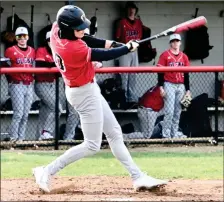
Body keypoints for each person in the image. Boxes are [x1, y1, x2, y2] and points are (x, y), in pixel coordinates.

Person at [32, 5, 167, 193]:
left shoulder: (56, 30)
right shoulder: (72, 48)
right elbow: (101, 54)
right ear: (69, 28)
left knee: (114, 132)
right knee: (92, 145)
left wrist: (114, 43)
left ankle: (138, 177)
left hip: (87, 88)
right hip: (83, 94)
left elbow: (87, 38)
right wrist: (126, 48)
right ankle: (46, 171)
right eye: (78, 27)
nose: (82, 29)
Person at [35, 31, 79, 141]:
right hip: (42, 84)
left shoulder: (58, 52)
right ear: (47, 41)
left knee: (45, 111)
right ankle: (47, 131)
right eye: (50, 40)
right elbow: (40, 65)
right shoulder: (42, 50)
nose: (52, 42)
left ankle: (39, 137)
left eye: (54, 40)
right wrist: (55, 65)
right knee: (57, 108)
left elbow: (61, 70)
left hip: (53, 85)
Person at [4, 27, 35, 142]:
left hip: (29, 84)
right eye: (19, 37)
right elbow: (5, 66)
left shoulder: (32, 51)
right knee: (18, 114)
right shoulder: (10, 50)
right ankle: (13, 138)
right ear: (16, 38)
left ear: (28, 37)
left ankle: (21, 139)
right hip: (16, 84)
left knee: (25, 114)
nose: (22, 39)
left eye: (24, 36)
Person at [157, 34, 190, 139]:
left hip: (181, 85)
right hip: (169, 84)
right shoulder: (164, 55)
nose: (175, 43)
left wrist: (188, 89)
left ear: (180, 42)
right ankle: (166, 135)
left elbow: (187, 74)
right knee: (169, 111)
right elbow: (160, 73)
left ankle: (174, 134)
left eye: (177, 41)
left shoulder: (184, 56)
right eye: (173, 41)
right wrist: (161, 87)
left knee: (177, 112)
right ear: (170, 43)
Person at [115, 1, 143, 107]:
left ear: (136, 10)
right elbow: (117, 37)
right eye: (129, 8)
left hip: (134, 50)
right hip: (124, 49)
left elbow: (139, 37)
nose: (131, 10)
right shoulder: (121, 22)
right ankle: (124, 98)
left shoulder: (138, 22)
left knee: (133, 74)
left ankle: (131, 98)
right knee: (124, 75)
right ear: (126, 10)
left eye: (133, 8)